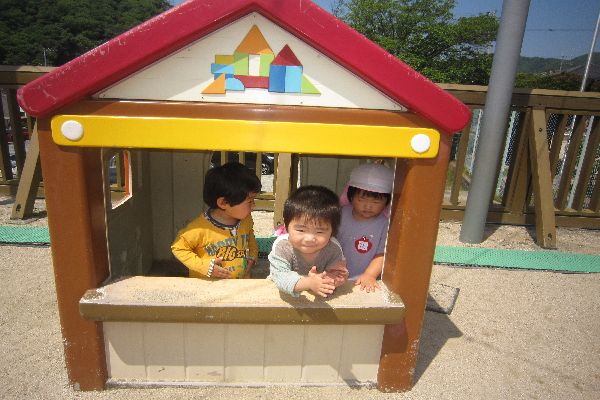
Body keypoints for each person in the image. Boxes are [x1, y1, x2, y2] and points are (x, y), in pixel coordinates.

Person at [171, 161, 262, 279]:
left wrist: (252, 256)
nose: (254, 206)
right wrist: (205, 267)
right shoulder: (199, 228)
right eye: (249, 201)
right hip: (208, 286)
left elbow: (250, 236)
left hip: (239, 284)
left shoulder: (246, 219)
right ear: (223, 203)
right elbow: (178, 248)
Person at [268, 185, 349, 298]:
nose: (310, 238)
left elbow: (337, 272)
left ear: (332, 232)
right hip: (282, 297)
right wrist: (309, 283)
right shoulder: (282, 247)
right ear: (286, 227)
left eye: (319, 232)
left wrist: (333, 279)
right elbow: (281, 277)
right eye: (301, 230)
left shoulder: (333, 248)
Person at [336, 163, 394, 292]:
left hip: (362, 280)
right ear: (351, 196)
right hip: (334, 275)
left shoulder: (384, 224)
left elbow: (381, 254)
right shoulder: (340, 213)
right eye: (361, 200)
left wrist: (369, 275)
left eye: (376, 201)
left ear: (387, 202)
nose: (368, 206)